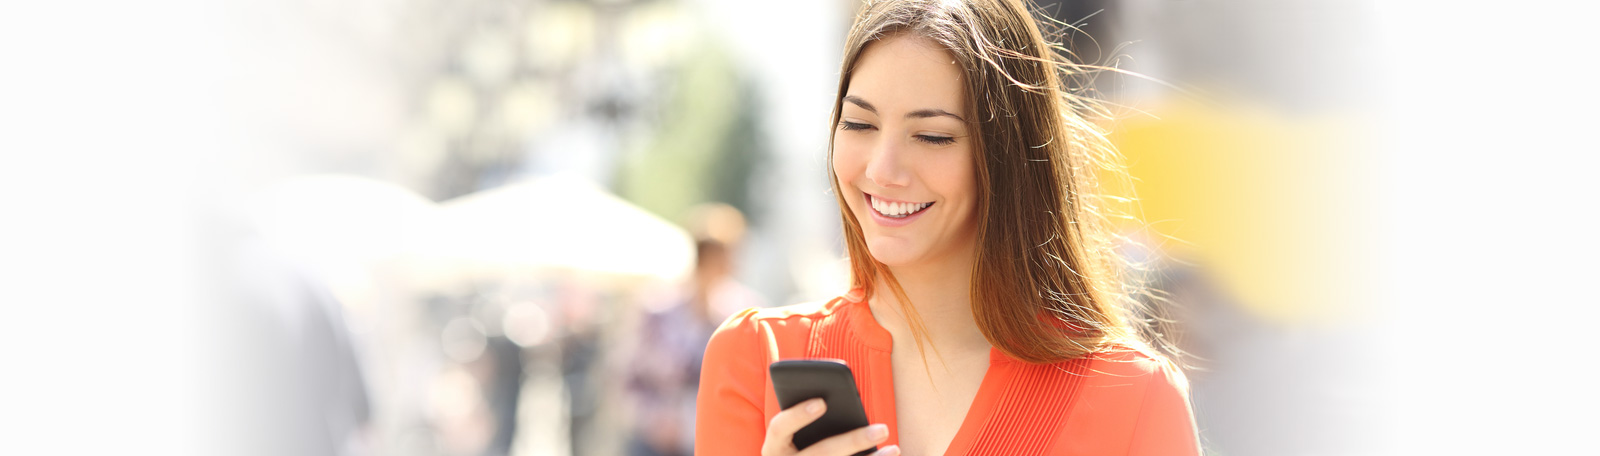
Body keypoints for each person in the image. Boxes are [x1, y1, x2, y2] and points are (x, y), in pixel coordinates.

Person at [694, 0, 1198, 454]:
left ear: (1011, 160)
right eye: (859, 124)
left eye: (932, 137)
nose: (882, 169)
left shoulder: (1133, 397)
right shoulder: (755, 358)